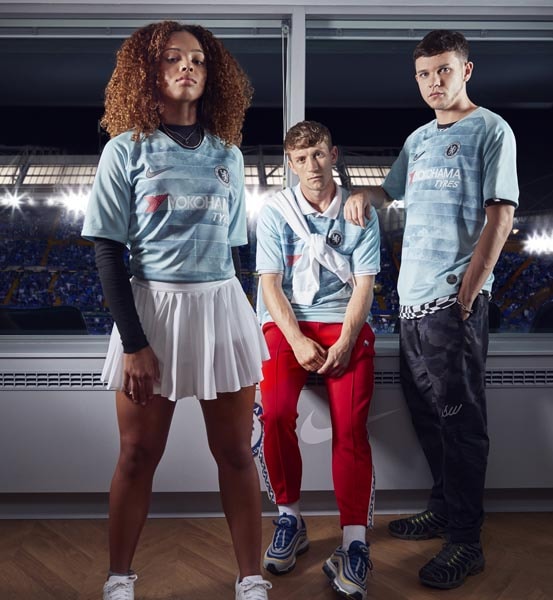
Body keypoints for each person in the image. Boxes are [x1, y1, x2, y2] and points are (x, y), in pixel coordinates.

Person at [81, 20, 272, 600]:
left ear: (212, 76)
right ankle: (119, 578)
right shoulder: (124, 149)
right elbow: (108, 252)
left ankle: (251, 577)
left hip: (220, 307)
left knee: (235, 454)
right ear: (149, 72)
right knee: (138, 455)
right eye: (172, 58)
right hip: (151, 310)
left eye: (198, 60)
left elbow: (230, 251)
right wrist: (135, 342)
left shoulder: (229, 154)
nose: (187, 66)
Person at [344, 30, 518, 590]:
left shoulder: (491, 129)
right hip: (411, 304)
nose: (433, 82)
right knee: (427, 417)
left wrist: (467, 293)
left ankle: (466, 541)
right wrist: (363, 195)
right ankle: (443, 509)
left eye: (444, 70)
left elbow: (500, 218)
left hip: (452, 305)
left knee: (462, 425)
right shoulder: (418, 139)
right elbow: (388, 193)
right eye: (423, 73)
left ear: (466, 70)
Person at [255, 120, 380, 600]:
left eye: (319, 155)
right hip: (287, 322)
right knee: (275, 414)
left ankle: (354, 542)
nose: (312, 166)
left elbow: (364, 286)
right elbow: (270, 284)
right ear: (290, 164)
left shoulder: (358, 210)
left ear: (334, 155)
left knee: (351, 428)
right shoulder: (274, 211)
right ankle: (289, 517)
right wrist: (297, 340)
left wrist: (346, 342)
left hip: (342, 321)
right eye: (302, 159)